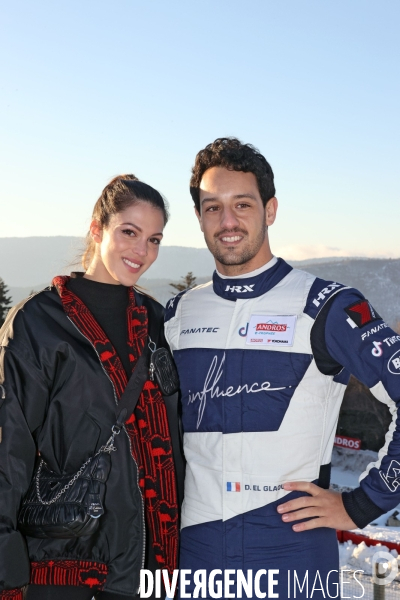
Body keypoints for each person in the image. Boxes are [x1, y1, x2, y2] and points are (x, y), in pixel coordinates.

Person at [164, 138, 400, 598]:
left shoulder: (327, 305)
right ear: (198, 217)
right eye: (212, 208)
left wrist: (362, 503)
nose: (227, 221)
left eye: (243, 205)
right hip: (194, 554)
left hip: (291, 553)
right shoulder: (177, 315)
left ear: (270, 210)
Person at [0, 175, 184, 600]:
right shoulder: (39, 322)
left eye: (154, 239)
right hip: (65, 567)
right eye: (129, 232)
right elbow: (9, 444)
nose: (142, 251)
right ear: (97, 228)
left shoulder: (157, 322)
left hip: (152, 569)